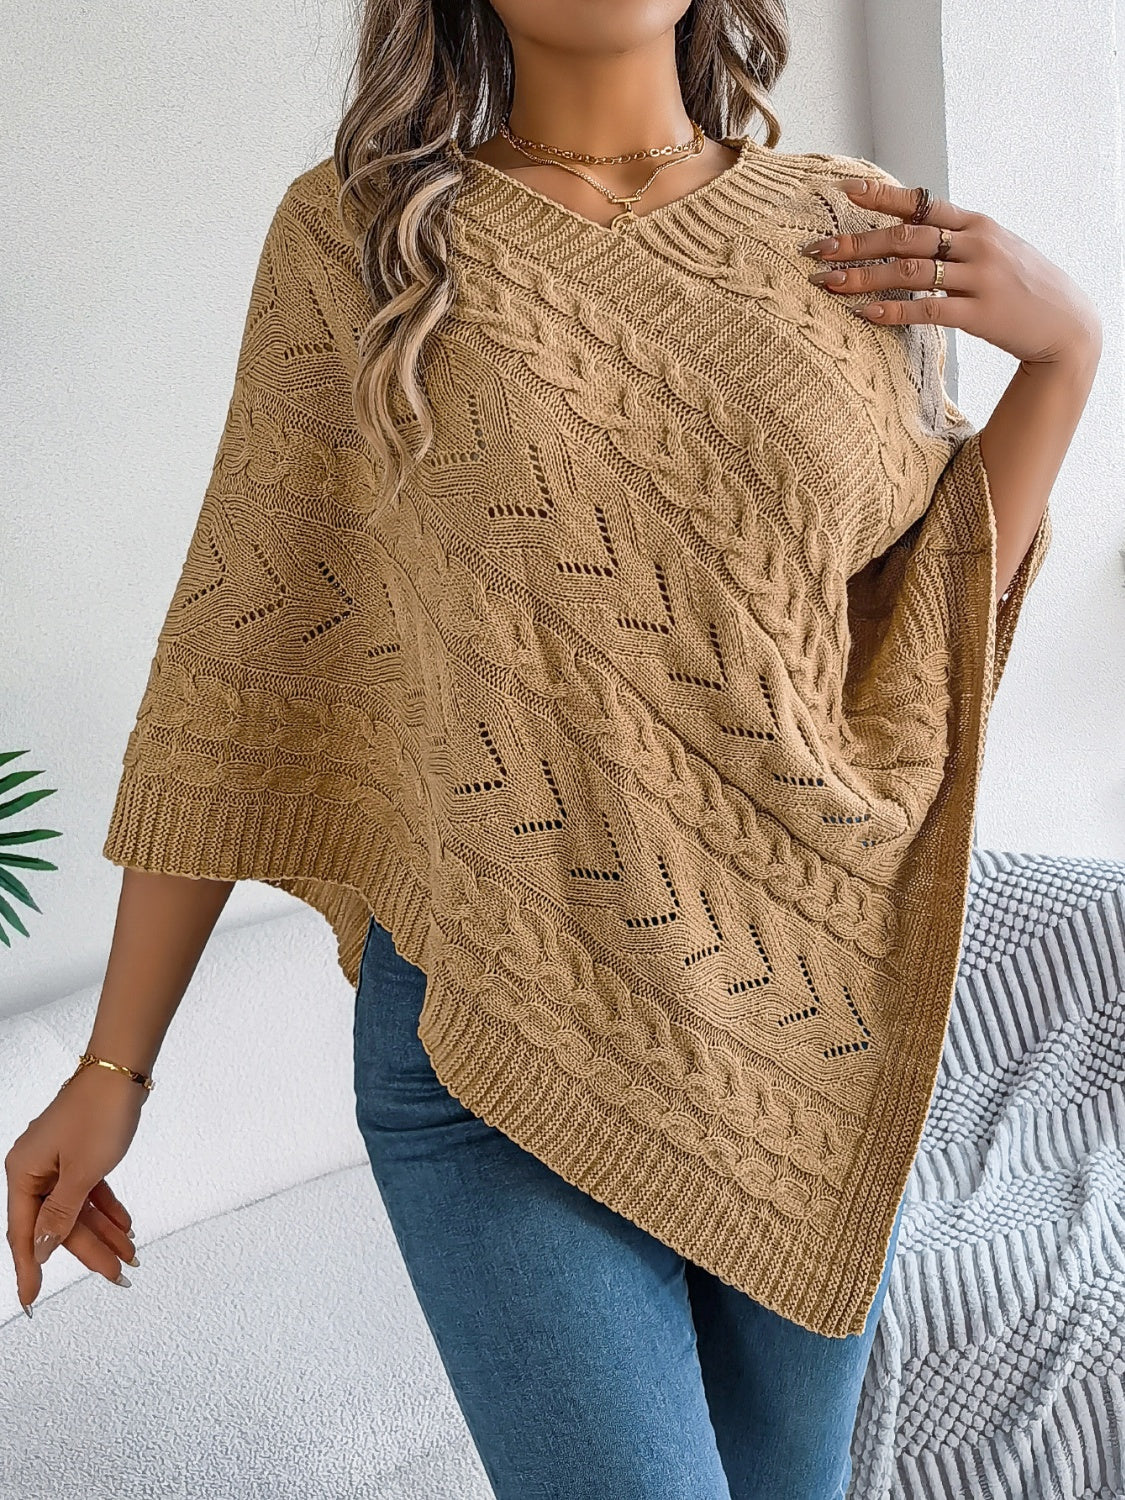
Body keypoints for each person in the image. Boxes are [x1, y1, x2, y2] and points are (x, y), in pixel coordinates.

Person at [6, 3, 1100, 1497]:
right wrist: (112, 1067)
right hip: (493, 1030)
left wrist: (1063, 355)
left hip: (804, 1030)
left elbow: (918, 628)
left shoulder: (848, 226)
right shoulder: (360, 238)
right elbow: (241, 669)